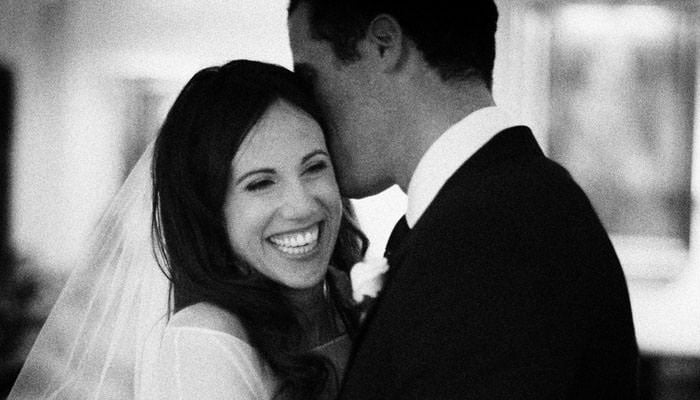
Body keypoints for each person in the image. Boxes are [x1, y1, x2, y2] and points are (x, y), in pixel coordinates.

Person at [287, 1, 640, 399]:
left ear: (384, 44)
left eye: (310, 80)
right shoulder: (504, 206)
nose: (308, 111)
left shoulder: (493, 236)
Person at [8, 60, 366, 400]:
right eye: (260, 184)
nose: (302, 205)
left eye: (315, 167)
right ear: (211, 211)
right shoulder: (205, 340)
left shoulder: (355, 306)